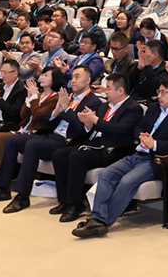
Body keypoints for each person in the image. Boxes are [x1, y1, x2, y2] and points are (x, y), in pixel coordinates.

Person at [72, 77, 168, 238]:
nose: (159, 96)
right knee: (106, 174)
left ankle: (101, 221)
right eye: (159, 92)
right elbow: (139, 126)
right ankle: (97, 219)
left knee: (127, 181)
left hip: (156, 159)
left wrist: (155, 144)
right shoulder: (154, 108)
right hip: (137, 154)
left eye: (163, 93)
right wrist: (141, 136)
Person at [0, 66, 102, 209]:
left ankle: (22, 196)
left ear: (88, 80)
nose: (73, 80)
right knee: (13, 140)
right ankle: (2, 188)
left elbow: (83, 129)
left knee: (32, 145)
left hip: (69, 141)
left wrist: (66, 109)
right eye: (72, 76)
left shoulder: (93, 102)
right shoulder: (67, 95)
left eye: (77, 77)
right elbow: (47, 121)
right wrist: (56, 111)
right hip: (51, 134)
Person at [52, 73, 144, 222]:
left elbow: (119, 129)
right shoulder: (104, 106)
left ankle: (75, 205)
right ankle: (65, 201)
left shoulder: (133, 108)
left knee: (77, 156)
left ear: (120, 91)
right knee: (60, 155)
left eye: (109, 88)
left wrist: (94, 120)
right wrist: (88, 124)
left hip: (114, 149)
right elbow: (93, 130)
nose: (105, 92)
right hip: (95, 144)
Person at [0, 69, 62, 196]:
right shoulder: (39, 95)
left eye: (46, 75)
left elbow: (39, 116)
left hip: (38, 133)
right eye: (42, 74)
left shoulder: (55, 98)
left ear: (55, 79)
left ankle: (0, 183)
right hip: (25, 129)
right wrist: (29, 99)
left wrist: (33, 97)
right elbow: (23, 115)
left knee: (2, 139)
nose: (41, 77)